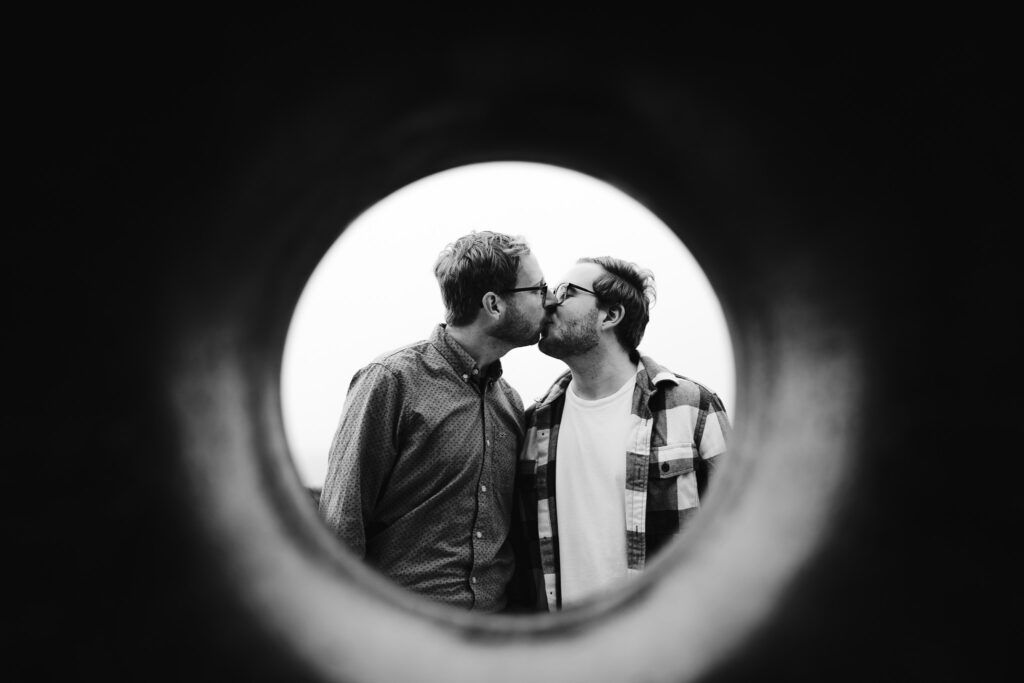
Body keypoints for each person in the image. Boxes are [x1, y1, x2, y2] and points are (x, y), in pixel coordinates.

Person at [318, 230, 549, 612]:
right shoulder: (391, 381)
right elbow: (341, 527)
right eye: (538, 288)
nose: (550, 298)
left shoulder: (510, 402)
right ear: (493, 304)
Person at [510, 256, 731, 611]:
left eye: (566, 292)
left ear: (610, 316)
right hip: (562, 651)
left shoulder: (692, 407)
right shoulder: (533, 425)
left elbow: (739, 533)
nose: (549, 300)